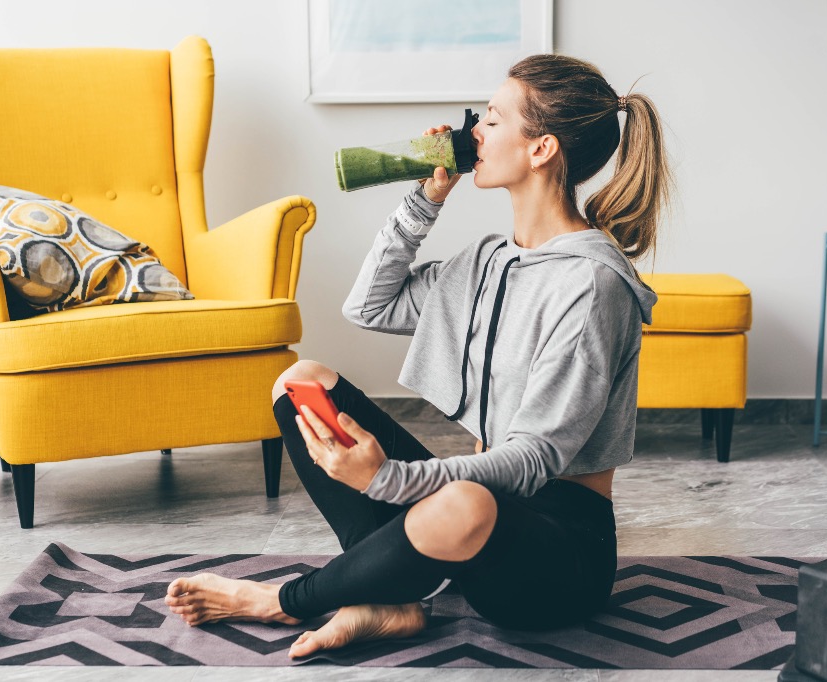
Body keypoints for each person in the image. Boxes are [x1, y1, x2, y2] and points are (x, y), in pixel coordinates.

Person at [164, 53, 672, 659]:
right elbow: (369, 307)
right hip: (476, 508)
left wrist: (389, 480)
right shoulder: (487, 260)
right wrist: (426, 198)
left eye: (491, 119)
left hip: (557, 556)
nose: (472, 133)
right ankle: (388, 601)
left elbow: (537, 458)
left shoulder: (591, 285)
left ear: (541, 149)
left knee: (461, 503)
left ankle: (284, 600)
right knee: (303, 382)